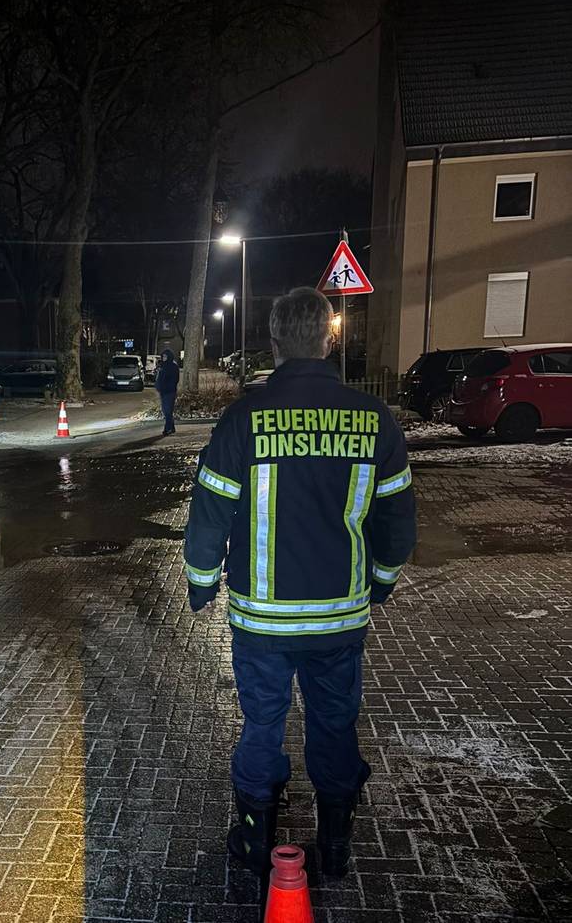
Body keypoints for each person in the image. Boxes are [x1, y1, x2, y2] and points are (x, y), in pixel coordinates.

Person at [183, 287, 416, 877]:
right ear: (329, 341)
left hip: (263, 620)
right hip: (339, 618)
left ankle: (256, 841)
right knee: (334, 725)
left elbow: (209, 514)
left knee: (263, 724)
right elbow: (397, 521)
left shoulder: (244, 420)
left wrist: (202, 583)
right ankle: (334, 845)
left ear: (275, 342)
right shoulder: (374, 420)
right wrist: (380, 582)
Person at [155, 348, 179, 436]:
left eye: (165, 356)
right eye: (163, 356)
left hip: (170, 391)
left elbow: (175, 379)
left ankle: (167, 428)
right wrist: (158, 386)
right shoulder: (162, 366)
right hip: (163, 391)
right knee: (165, 411)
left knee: (168, 411)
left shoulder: (173, 366)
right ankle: (171, 427)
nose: (164, 358)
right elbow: (159, 378)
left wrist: (168, 386)